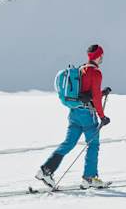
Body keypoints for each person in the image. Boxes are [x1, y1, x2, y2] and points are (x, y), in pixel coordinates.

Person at [37, 44, 111, 189]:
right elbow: (94, 98)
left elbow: (85, 94)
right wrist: (102, 116)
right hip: (88, 115)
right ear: (98, 56)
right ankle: (89, 178)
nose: (102, 57)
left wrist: (103, 92)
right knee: (93, 145)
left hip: (74, 112)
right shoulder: (96, 73)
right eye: (101, 55)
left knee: (68, 143)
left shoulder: (81, 69)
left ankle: (46, 170)